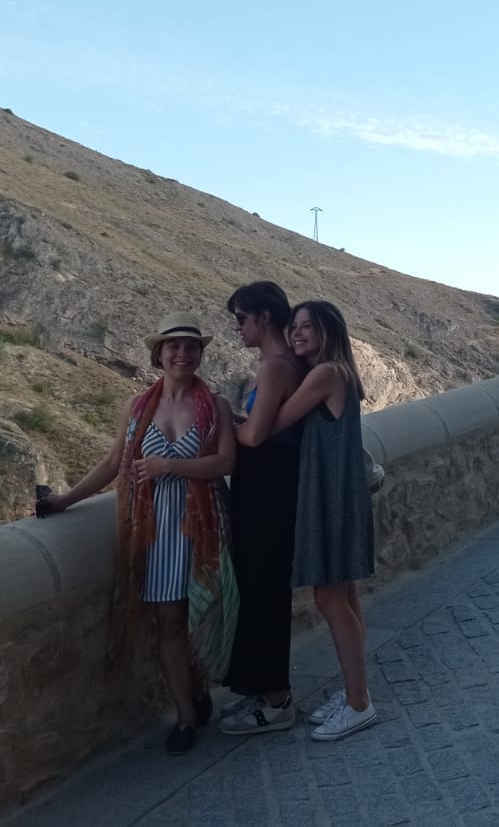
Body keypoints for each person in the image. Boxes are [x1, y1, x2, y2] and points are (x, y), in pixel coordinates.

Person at [37, 314, 237, 756]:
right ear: (158, 354)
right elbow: (114, 465)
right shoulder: (137, 407)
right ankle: (186, 715)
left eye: (191, 347)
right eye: (174, 347)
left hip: (202, 527)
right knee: (169, 623)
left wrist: (170, 466)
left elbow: (225, 464)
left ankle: (200, 688)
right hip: (154, 531)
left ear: (200, 355)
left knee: (201, 617)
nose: (182, 354)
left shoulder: (215, 405)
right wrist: (65, 500)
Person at [265, 300, 378, 741]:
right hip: (340, 494)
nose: (296, 333)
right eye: (293, 326)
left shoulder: (326, 373)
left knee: (330, 600)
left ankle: (358, 704)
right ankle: (357, 690)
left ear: (327, 331)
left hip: (330, 497)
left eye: (306, 327)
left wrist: (231, 418)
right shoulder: (340, 374)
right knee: (344, 599)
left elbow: (274, 423)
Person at [219, 282, 308, 736]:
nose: (237, 328)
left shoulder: (276, 367)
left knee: (264, 592)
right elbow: (260, 426)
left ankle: (276, 701)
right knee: (258, 588)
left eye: (241, 319)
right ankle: (263, 689)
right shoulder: (277, 365)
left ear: (264, 318)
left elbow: (255, 437)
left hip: (269, 489)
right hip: (266, 485)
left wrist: (218, 420)